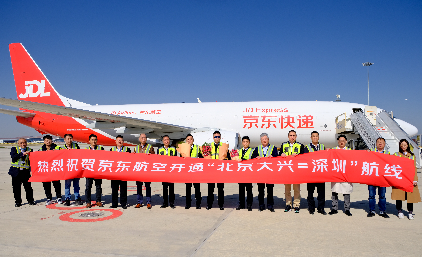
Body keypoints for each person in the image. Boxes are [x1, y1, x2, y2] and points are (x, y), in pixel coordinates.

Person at [279, 130, 308, 213]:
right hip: (287, 170)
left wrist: (298, 156)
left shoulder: (300, 145)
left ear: (296, 137)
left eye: (294, 135)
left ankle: (296, 205)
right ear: (288, 136)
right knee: (287, 190)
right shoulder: (283, 145)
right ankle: (288, 204)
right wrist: (281, 154)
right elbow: (279, 155)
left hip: (296, 171)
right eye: (291, 135)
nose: (292, 137)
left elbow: (303, 157)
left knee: (297, 189)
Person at [391, 139, 421, 220]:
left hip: (409, 179)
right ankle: (399, 211)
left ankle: (410, 212)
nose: (403, 147)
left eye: (404, 145)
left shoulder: (412, 156)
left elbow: (414, 168)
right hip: (400, 178)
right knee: (399, 195)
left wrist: (415, 179)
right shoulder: (396, 154)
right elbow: (389, 160)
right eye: (401, 145)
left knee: (410, 196)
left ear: (407, 145)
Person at [251, 133, 278, 212]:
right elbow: (252, 158)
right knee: (261, 190)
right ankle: (261, 205)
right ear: (260, 140)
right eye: (263, 139)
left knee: (270, 190)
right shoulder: (257, 148)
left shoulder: (273, 148)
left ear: (268, 139)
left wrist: (273, 157)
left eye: (266, 139)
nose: (264, 140)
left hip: (270, 172)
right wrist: (256, 157)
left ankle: (270, 205)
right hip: (260, 173)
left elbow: (277, 157)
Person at [329, 135, 353, 216]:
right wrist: (327, 151)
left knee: (346, 192)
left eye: (343, 140)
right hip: (336, 174)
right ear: (338, 141)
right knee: (335, 192)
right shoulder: (333, 150)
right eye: (340, 140)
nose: (341, 142)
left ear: (346, 141)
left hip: (346, 174)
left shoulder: (349, 150)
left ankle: (347, 209)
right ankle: (334, 208)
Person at [207, 131, 231, 210]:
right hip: (211, 170)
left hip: (220, 170)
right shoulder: (208, 147)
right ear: (213, 137)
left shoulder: (224, 146)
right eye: (215, 136)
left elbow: (229, 157)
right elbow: (204, 156)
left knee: (220, 189)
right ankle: (209, 204)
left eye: (218, 137)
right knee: (210, 188)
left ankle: (221, 204)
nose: (217, 138)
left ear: (220, 137)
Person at [367, 137, 390, 218]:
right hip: (372, 177)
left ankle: (382, 211)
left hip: (382, 178)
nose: (380, 143)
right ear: (376, 144)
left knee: (382, 196)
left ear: (384, 144)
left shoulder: (388, 153)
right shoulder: (371, 152)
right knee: (371, 195)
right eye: (378, 142)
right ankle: (371, 210)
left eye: (382, 142)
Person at [305, 131, 327, 215]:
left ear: (318, 137)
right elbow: (304, 159)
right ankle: (311, 208)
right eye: (313, 136)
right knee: (310, 192)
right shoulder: (307, 147)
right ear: (311, 138)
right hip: (311, 174)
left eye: (316, 136)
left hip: (321, 173)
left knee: (321, 192)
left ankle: (321, 208)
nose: (315, 137)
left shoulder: (322, 146)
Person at [9, 138, 35, 207]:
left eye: (24, 143)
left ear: (26, 143)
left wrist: (31, 170)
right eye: (21, 143)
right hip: (16, 172)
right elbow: (13, 157)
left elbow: (32, 161)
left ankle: (30, 200)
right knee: (16, 188)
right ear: (18, 144)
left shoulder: (30, 150)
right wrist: (22, 154)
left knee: (28, 187)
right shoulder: (14, 149)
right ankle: (18, 202)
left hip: (25, 172)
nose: (23, 144)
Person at [39, 135, 62, 205]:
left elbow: (63, 155)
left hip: (54, 169)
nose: (48, 141)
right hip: (45, 170)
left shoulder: (57, 148)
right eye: (46, 140)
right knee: (46, 185)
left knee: (57, 184)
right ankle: (49, 199)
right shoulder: (41, 149)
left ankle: (59, 198)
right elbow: (37, 159)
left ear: (52, 140)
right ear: (44, 141)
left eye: (49, 140)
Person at [134, 133, 154, 209]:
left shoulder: (150, 147)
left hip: (147, 170)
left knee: (147, 186)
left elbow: (154, 157)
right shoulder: (136, 148)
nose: (143, 139)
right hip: (139, 170)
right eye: (142, 137)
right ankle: (139, 202)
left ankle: (148, 202)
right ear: (139, 139)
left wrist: (150, 155)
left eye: (145, 138)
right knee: (139, 187)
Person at [110, 135, 130, 209]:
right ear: (115, 141)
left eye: (121, 140)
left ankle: (123, 203)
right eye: (118, 140)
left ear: (123, 142)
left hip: (123, 172)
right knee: (114, 189)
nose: (119, 141)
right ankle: (114, 204)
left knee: (123, 189)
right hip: (114, 173)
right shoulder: (111, 149)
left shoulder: (127, 149)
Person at [61, 134, 82, 206]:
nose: (69, 140)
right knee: (67, 185)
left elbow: (80, 155)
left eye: (71, 138)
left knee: (76, 185)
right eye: (68, 139)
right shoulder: (62, 148)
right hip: (67, 170)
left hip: (75, 169)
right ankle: (67, 199)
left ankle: (77, 198)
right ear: (64, 140)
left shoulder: (76, 146)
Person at [85, 134, 104, 208]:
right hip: (89, 171)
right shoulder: (86, 149)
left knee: (98, 187)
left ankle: (98, 201)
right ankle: (88, 202)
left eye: (95, 139)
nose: (94, 141)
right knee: (88, 187)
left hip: (97, 171)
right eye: (92, 140)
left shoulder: (100, 148)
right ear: (89, 141)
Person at [184, 134, 203, 209]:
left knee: (197, 188)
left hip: (196, 171)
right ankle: (188, 204)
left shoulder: (197, 148)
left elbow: (202, 157)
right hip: (188, 171)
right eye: (188, 139)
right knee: (188, 188)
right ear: (186, 140)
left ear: (193, 140)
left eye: (191, 139)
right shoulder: (183, 149)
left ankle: (198, 203)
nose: (189, 141)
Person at [158, 135, 177, 209]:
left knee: (171, 188)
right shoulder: (159, 149)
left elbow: (175, 159)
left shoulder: (173, 148)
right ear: (163, 141)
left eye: (168, 139)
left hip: (171, 171)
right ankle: (165, 203)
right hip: (164, 171)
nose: (166, 141)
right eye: (165, 140)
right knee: (165, 188)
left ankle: (172, 203)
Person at [236, 136, 253, 211]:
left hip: (248, 173)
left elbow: (253, 160)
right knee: (241, 190)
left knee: (249, 190)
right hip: (241, 174)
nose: (245, 143)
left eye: (247, 142)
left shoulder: (252, 151)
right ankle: (241, 204)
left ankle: (249, 205)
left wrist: (243, 159)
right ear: (242, 143)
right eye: (244, 142)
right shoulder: (239, 151)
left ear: (249, 142)